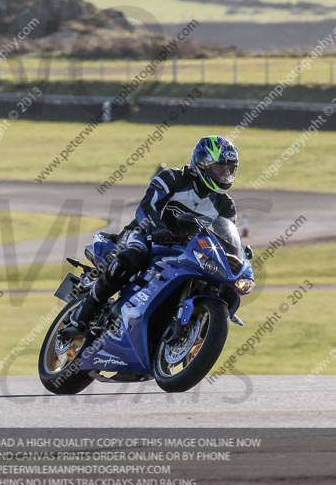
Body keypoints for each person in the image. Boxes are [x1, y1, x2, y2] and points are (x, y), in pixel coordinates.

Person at [62, 135, 240, 336]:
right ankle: (82, 316)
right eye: (220, 167)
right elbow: (146, 206)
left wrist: (238, 254)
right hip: (144, 234)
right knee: (131, 258)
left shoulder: (226, 205)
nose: (225, 173)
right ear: (203, 163)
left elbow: (226, 236)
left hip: (185, 252)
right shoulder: (173, 178)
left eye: (229, 168)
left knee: (215, 285)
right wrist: (157, 228)